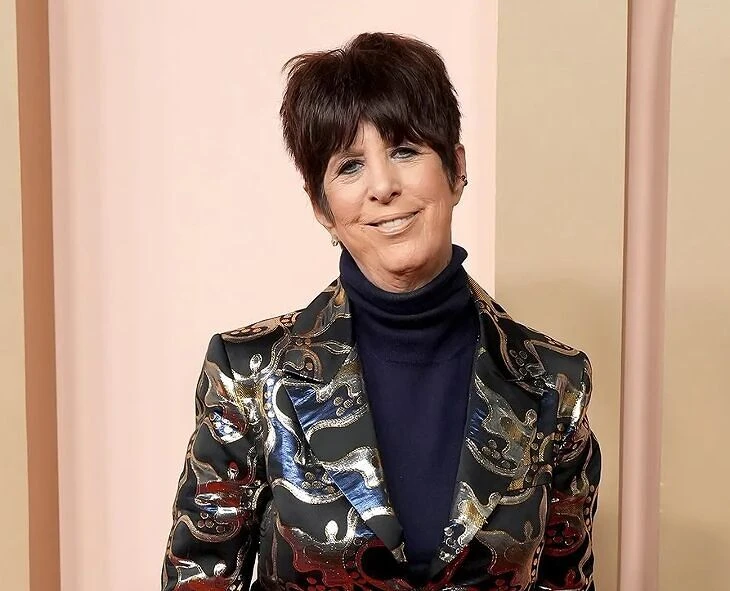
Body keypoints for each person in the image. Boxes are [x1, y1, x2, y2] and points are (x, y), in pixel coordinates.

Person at [161, 32, 601, 591]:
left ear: (456, 168)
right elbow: (197, 578)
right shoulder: (247, 374)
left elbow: (568, 582)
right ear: (322, 206)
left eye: (405, 151)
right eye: (349, 166)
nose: (383, 186)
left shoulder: (554, 382)